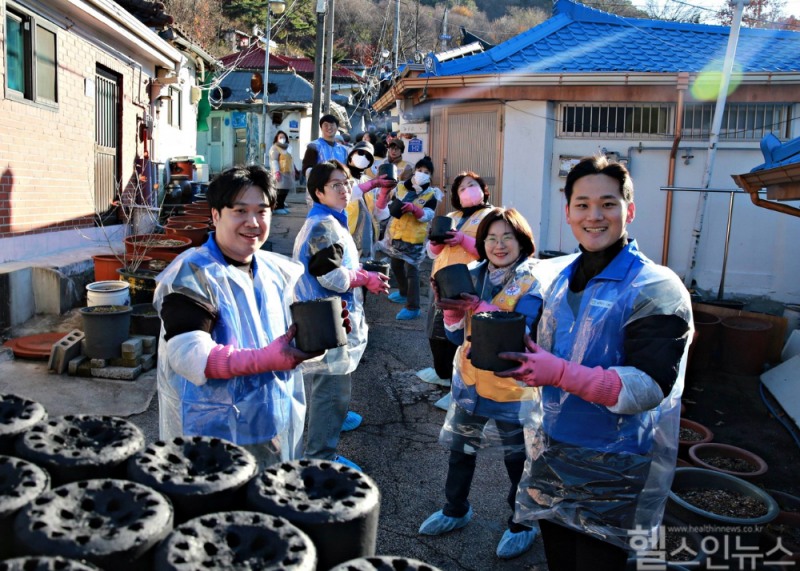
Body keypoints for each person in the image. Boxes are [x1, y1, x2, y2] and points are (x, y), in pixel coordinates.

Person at [497, 155, 693, 571]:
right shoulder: (558, 276)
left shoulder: (656, 287)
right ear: (567, 212)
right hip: (551, 447)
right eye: (582, 204)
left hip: (616, 463)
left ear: (629, 210)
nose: (594, 216)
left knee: (596, 563)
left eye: (608, 203)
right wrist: (468, 315)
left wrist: (562, 374)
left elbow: (648, 386)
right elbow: (525, 331)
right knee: (559, 558)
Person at [153, 165, 323, 468]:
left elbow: (281, 341)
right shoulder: (192, 273)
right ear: (216, 215)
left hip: (268, 423)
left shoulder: (275, 270)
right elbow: (188, 356)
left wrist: (316, 334)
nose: (253, 222)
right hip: (211, 435)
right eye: (240, 211)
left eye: (262, 211)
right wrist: (263, 360)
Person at [418, 207, 544, 560]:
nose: (499, 245)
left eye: (507, 237)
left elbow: (524, 332)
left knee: (517, 460)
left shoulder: (531, 284)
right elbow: (456, 338)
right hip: (470, 383)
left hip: (512, 389)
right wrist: (453, 312)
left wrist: (481, 305)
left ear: (522, 242)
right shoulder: (470, 274)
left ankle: (522, 524)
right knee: (461, 451)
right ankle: (455, 509)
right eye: (491, 238)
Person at [293, 160, 390, 471]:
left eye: (347, 183)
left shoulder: (331, 220)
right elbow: (330, 277)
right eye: (336, 185)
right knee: (330, 385)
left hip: (333, 315)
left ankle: (337, 416)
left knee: (335, 379)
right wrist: (364, 278)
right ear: (319, 191)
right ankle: (320, 456)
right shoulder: (323, 225)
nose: (345, 189)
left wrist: (361, 274)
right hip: (328, 318)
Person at [417, 172, 493, 392]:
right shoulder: (452, 215)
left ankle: (458, 386)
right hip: (441, 282)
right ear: (456, 196)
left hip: (470, 283)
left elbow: (489, 251)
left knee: (462, 336)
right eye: (461, 188)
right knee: (437, 331)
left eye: (472, 185)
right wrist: (435, 242)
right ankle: (443, 373)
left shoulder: (493, 215)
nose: (467, 190)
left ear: (483, 189)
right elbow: (432, 253)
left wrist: (462, 239)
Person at [374, 156, 440, 320]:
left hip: (415, 240)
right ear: (414, 170)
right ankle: (403, 292)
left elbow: (428, 215)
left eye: (426, 172)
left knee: (412, 272)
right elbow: (391, 206)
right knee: (396, 266)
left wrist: (415, 210)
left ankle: (413, 306)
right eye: (420, 170)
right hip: (396, 236)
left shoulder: (432, 194)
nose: (422, 174)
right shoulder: (402, 187)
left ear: (430, 176)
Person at [343, 140, 395, 259]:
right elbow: (348, 195)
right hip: (347, 235)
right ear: (351, 155)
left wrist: (384, 193)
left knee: (365, 272)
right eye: (360, 153)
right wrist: (373, 184)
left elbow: (378, 214)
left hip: (367, 238)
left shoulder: (367, 180)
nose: (363, 157)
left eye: (368, 156)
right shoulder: (341, 176)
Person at [269, 130, 294, 215]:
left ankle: (281, 205)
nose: (282, 139)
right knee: (279, 190)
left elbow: (291, 160)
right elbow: (274, 160)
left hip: (288, 173)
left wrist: (294, 170)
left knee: (285, 190)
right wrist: (276, 172)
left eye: (283, 137)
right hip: (280, 173)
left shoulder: (288, 148)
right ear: (277, 138)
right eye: (280, 137)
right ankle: (277, 207)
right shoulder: (275, 148)